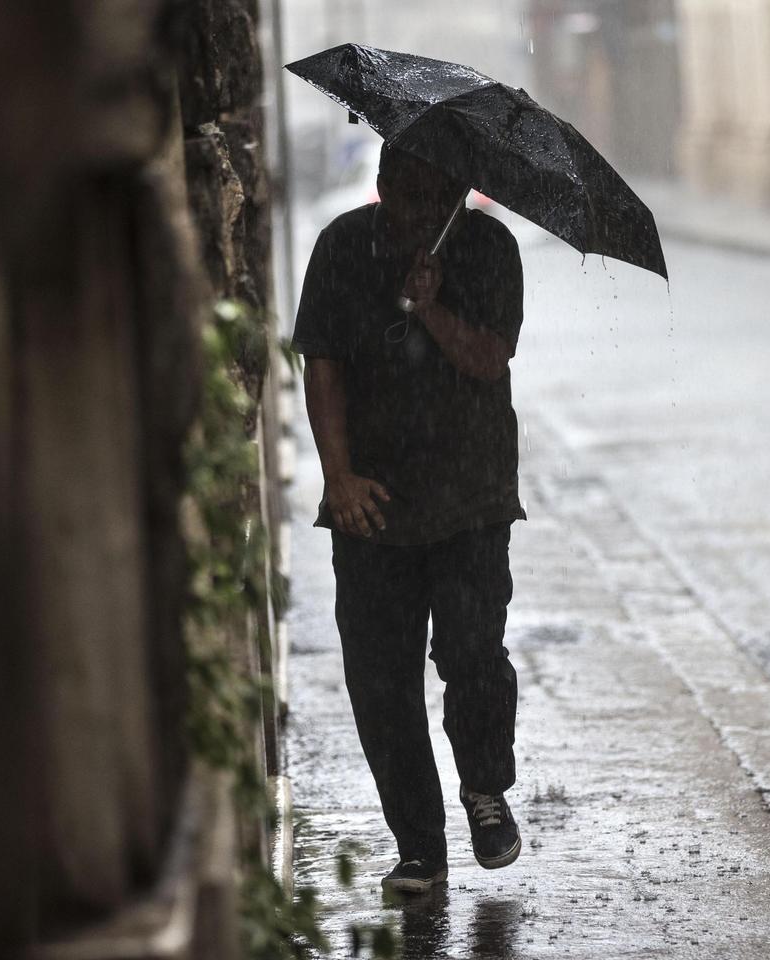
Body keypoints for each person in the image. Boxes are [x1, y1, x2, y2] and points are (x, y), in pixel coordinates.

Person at [291, 142, 525, 895]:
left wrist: (432, 308)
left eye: (435, 197)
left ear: (459, 193)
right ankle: (420, 846)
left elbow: (491, 359)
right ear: (383, 186)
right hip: (373, 503)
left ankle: (485, 792)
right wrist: (339, 476)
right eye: (403, 193)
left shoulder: (490, 249)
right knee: (382, 683)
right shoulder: (341, 247)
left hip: (471, 498)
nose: (416, 212)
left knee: (474, 656)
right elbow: (320, 361)